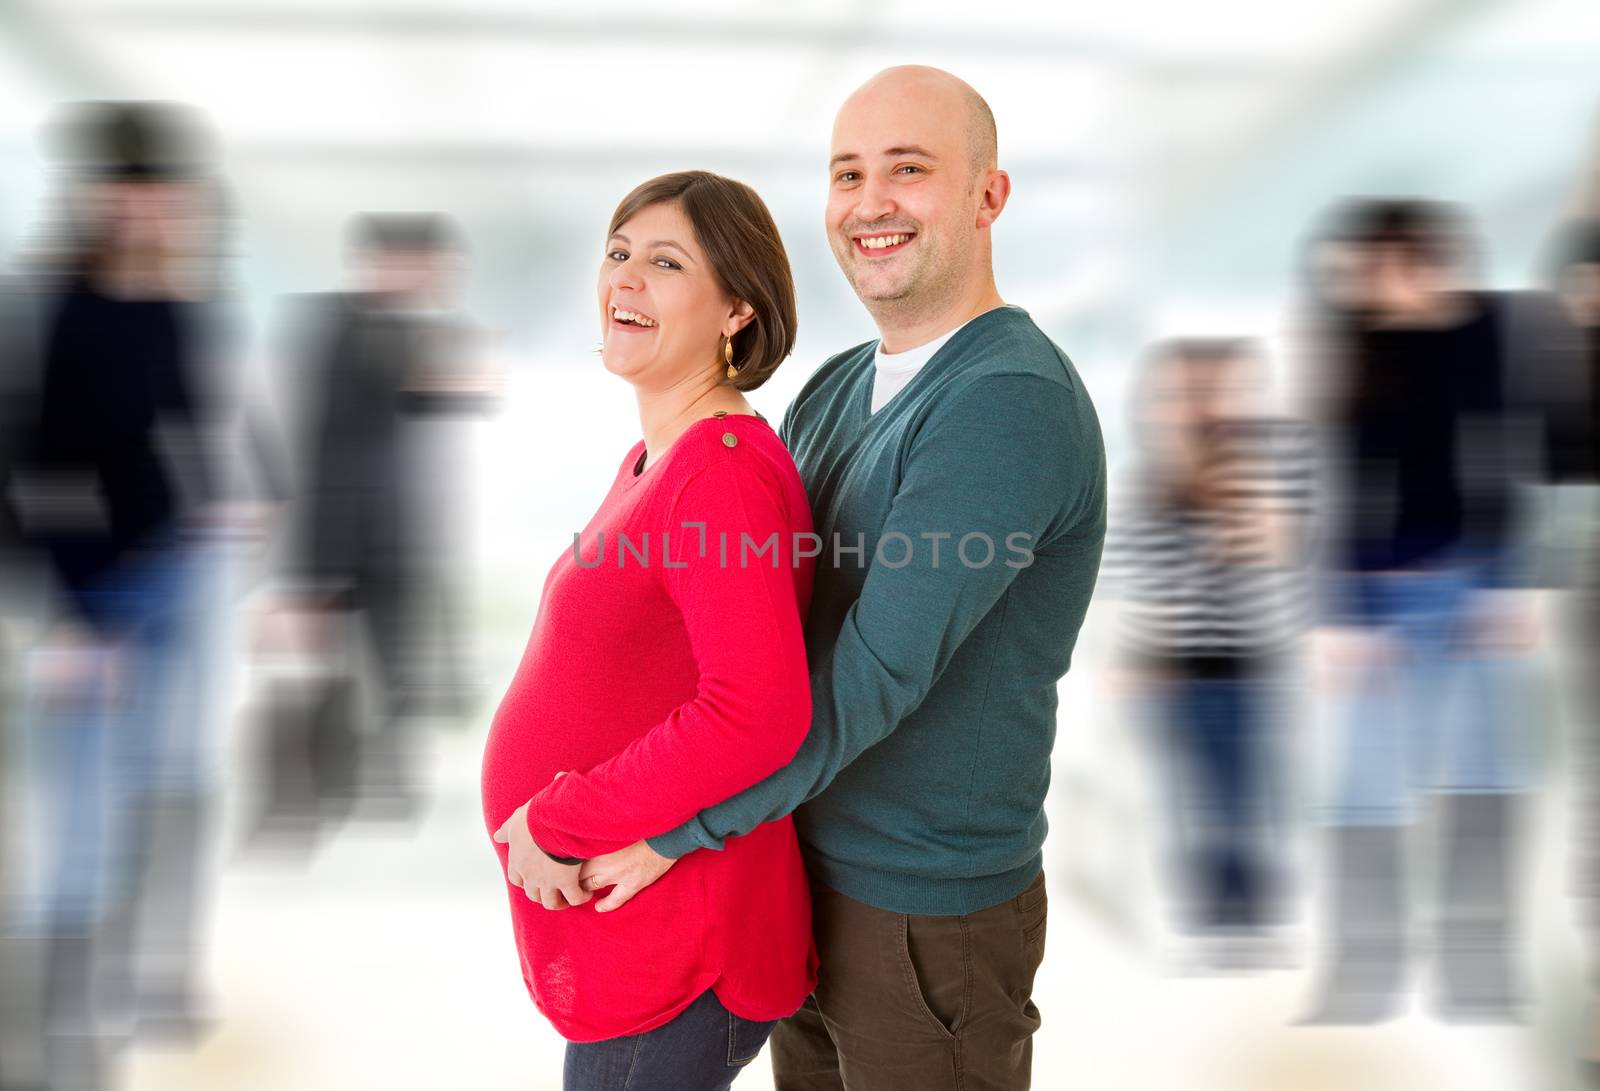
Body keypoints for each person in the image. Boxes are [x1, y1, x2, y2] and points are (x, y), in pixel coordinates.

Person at [575, 66, 1106, 1090]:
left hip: (921, 907)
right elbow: (755, 624)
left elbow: (873, 675)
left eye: (907, 170)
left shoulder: (1005, 401)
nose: (870, 202)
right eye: (847, 173)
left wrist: (667, 827)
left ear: (988, 195)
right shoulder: (835, 385)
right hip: (796, 867)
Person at [480, 171, 817, 1090]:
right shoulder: (656, 457)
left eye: (665, 263)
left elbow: (757, 711)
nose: (625, 278)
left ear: (736, 310)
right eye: (619, 252)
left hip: (682, 942)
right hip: (638, 936)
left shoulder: (720, 474)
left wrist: (560, 817)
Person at [1300, 199, 1536, 1024]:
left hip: (1472, 583)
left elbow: (1510, 453)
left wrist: (1510, 582)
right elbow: (1332, 487)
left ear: (1434, 259)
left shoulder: (1487, 334)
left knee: (1483, 776)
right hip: (1375, 599)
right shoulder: (1350, 344)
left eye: (1402, 262)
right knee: (1363, 786)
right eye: (1367, 266)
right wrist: (1337, 615)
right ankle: (1362, 972)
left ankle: (1481, 971)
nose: (1381, 281)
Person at [1100, 339, 1312, 970]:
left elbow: (1280, 554)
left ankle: (1254, 911)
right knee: (1191, 791)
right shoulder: (1152, 473)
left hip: (1253, 658)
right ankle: (1210, 913)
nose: (1200, 406)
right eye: (1187, 392)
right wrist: (1135, 657)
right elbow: (1133, 572)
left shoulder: (1267, 464)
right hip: (1174, 664)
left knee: (1251, 788)